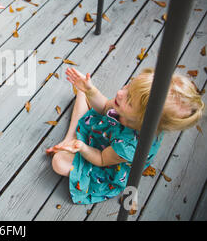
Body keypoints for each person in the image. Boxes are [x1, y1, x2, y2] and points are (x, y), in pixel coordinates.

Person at [46, 67, 204, 204]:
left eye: (129, 100)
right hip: (105, 132)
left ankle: (73, 140)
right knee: (82, 92)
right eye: (129, 85)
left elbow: (101, 159)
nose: (120, 92)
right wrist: (90, 90)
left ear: (142, 121)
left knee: (58, 162)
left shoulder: (129, 146)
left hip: (107, 161)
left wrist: (82, 148)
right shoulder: (128, 111)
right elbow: (103, 108)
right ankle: (70, 138)